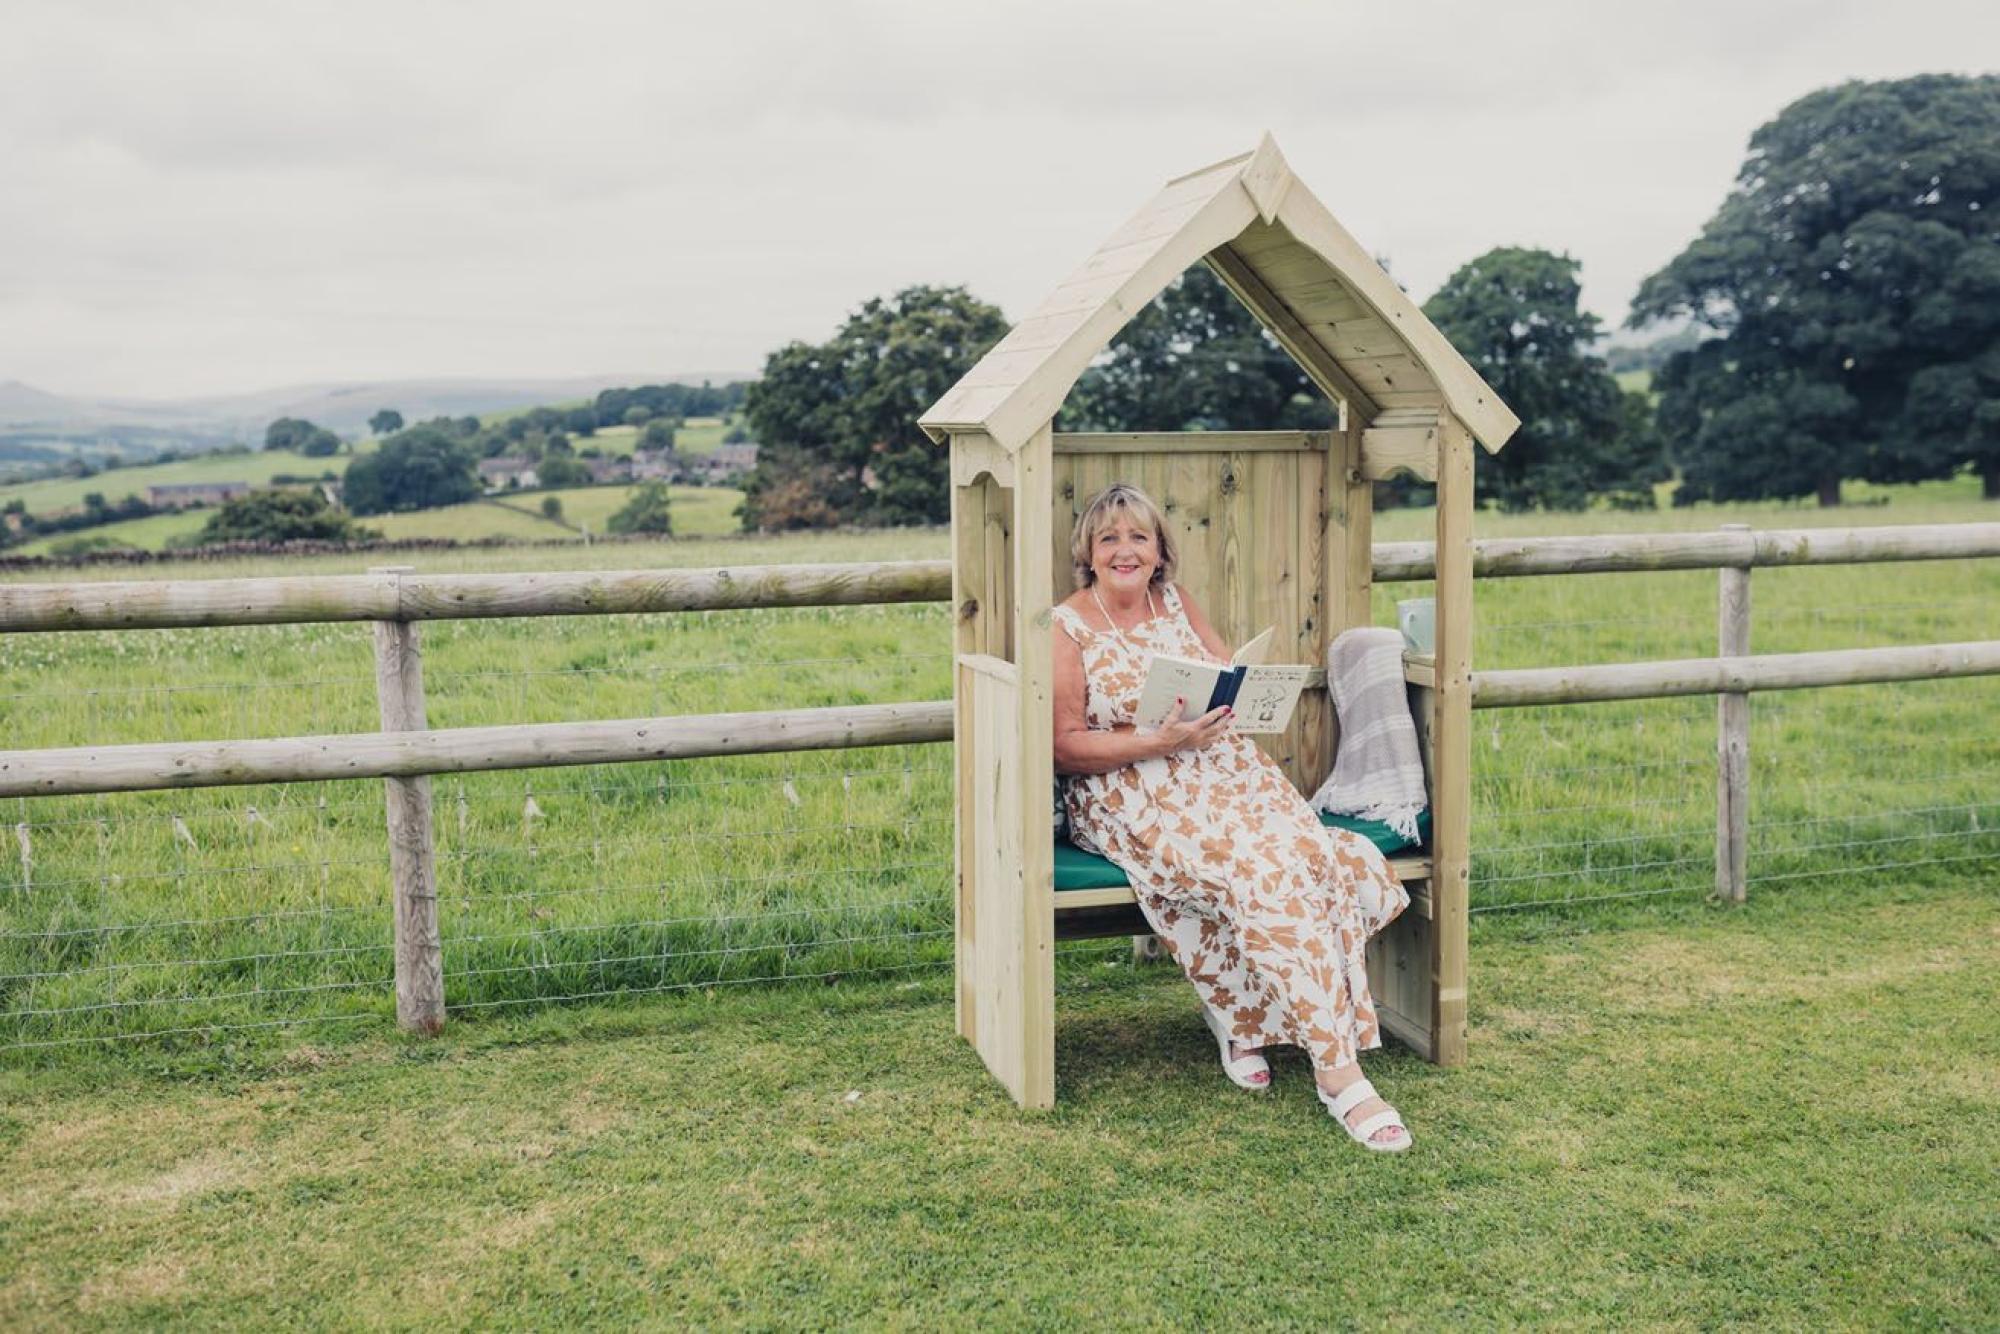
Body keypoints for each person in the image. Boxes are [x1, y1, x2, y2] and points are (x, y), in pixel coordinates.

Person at [1051, 481, 1414, 1151]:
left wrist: (1228, 706)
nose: (1125, 550)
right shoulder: (1068, 625)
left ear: (1160, 551)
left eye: (1139, 537)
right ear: (1088, 553)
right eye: (1109, 538)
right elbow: (1065, 745)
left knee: (1317, 856)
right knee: (1255, 873)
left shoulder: (1175, 602)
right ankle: (1339, 1073)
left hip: (1225, 770)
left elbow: (1226, 678)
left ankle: (1241, 1016)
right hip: (1131, 789)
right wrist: (1157, 742)